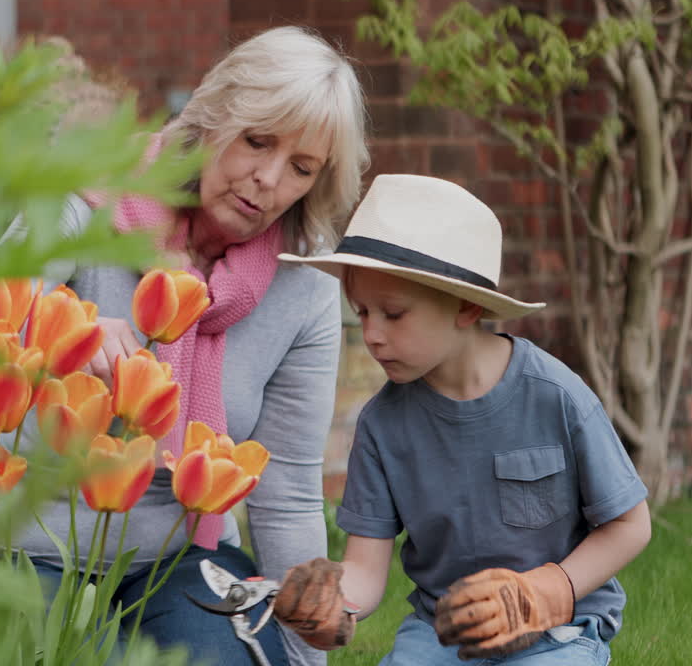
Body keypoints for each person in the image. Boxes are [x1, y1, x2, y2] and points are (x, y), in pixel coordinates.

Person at [6, 27, 370, 666]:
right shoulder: (85, 194)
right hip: (32, 539)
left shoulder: (303, 284)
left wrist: (302, 651)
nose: (267, 179)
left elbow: (284, 488)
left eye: (301, 169)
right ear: (213, 117)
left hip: (184, 552)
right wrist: (67, 327)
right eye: (258, 141)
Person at [272, 174, 652, 665]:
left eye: (393, 313)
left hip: (555, 629)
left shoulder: (555, 396)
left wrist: (547, 590)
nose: (372, 335)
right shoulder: (381, 426)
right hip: (441, 633)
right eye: (362, 312)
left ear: (466, 306)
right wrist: (332, 608)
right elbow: (366, 572)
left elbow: (631, 524)